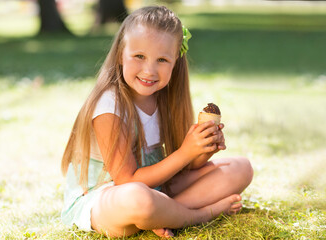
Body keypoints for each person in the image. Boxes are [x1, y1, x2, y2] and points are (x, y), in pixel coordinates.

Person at [61, 5, 253, 238]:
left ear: (175, 62)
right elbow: (126, 181)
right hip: (105, 200)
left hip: (157, 189)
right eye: (139, 56)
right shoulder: (109, 106)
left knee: (241, 168)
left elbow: (180, 167)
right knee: (139, 199)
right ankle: (198, 215)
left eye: (162, 59)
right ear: (121, 53)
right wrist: (185, 152)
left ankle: (163, 214)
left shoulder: (165, 101)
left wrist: (201, 148)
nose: (149, 70)